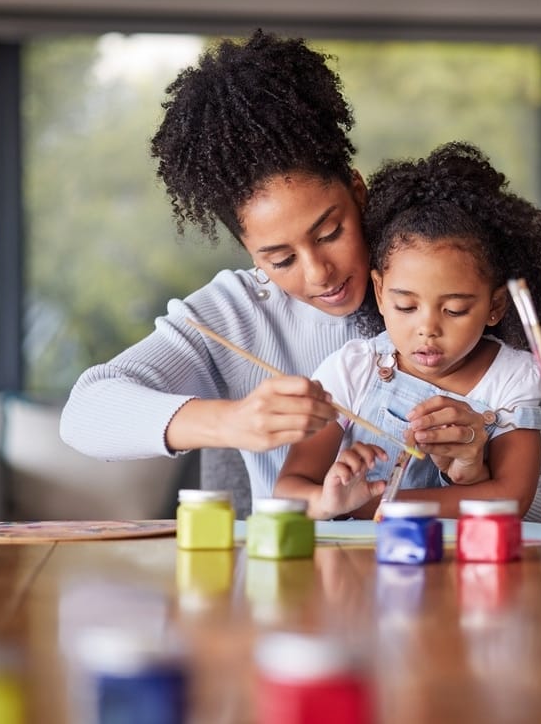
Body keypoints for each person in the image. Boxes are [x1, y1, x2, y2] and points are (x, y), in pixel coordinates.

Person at [59, 30, 491, 509]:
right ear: (249, 252)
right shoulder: (236, 313)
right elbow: (84, 413)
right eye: (280, 259)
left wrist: (477, 457)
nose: (319, 272)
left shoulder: (441, 281)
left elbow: (536, 506)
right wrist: (231, 421)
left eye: (330, 233)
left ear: (357, 191)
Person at [275, 142, 541, 521]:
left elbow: (509, 499)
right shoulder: (354, 371)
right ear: (380, 293)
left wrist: (374, 504)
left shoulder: (510, 377)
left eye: (455, 309)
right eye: (406, 306)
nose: (427, 328)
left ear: (495, 307)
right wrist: (330, 501)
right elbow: (289, 491)